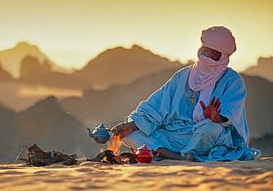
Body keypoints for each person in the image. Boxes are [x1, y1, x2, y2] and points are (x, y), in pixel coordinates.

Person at [111, 26, 261, 161]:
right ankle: (176, 155)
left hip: (206, 137)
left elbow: (232, 111)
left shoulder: (232, 80)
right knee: (130, 134)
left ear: (223, 56)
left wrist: (217, 118)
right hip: (175, 135)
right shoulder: (183, 75)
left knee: (210, 129)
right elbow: (157, 103)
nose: (207, 53)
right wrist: (132, 125)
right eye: (205, 48)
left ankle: (178, 155)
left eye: (212, 51)